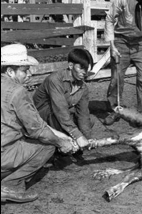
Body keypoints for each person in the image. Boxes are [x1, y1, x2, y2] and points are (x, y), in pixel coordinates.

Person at [1, 43, 77, 203]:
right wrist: (61, 142)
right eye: (23, 70)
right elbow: (38, 130)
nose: (28, 74)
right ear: (10, 71)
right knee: (47, 145)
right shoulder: (17, 92)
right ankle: (9, 186)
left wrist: (61, 134)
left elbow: (35, 120)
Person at [33, 48, 94, 162]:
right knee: (58, 116)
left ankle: (74, 146)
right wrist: (77, 135)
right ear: (70, 65)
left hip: (58, 116)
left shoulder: (83, 87)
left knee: (89, 121)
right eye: (81, 68)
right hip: (39, 118)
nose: (84, 72)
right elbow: (60, 110)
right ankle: (55, 148)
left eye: (86, 68)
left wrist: (87, 138)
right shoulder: (55, 80)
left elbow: (83, 114)